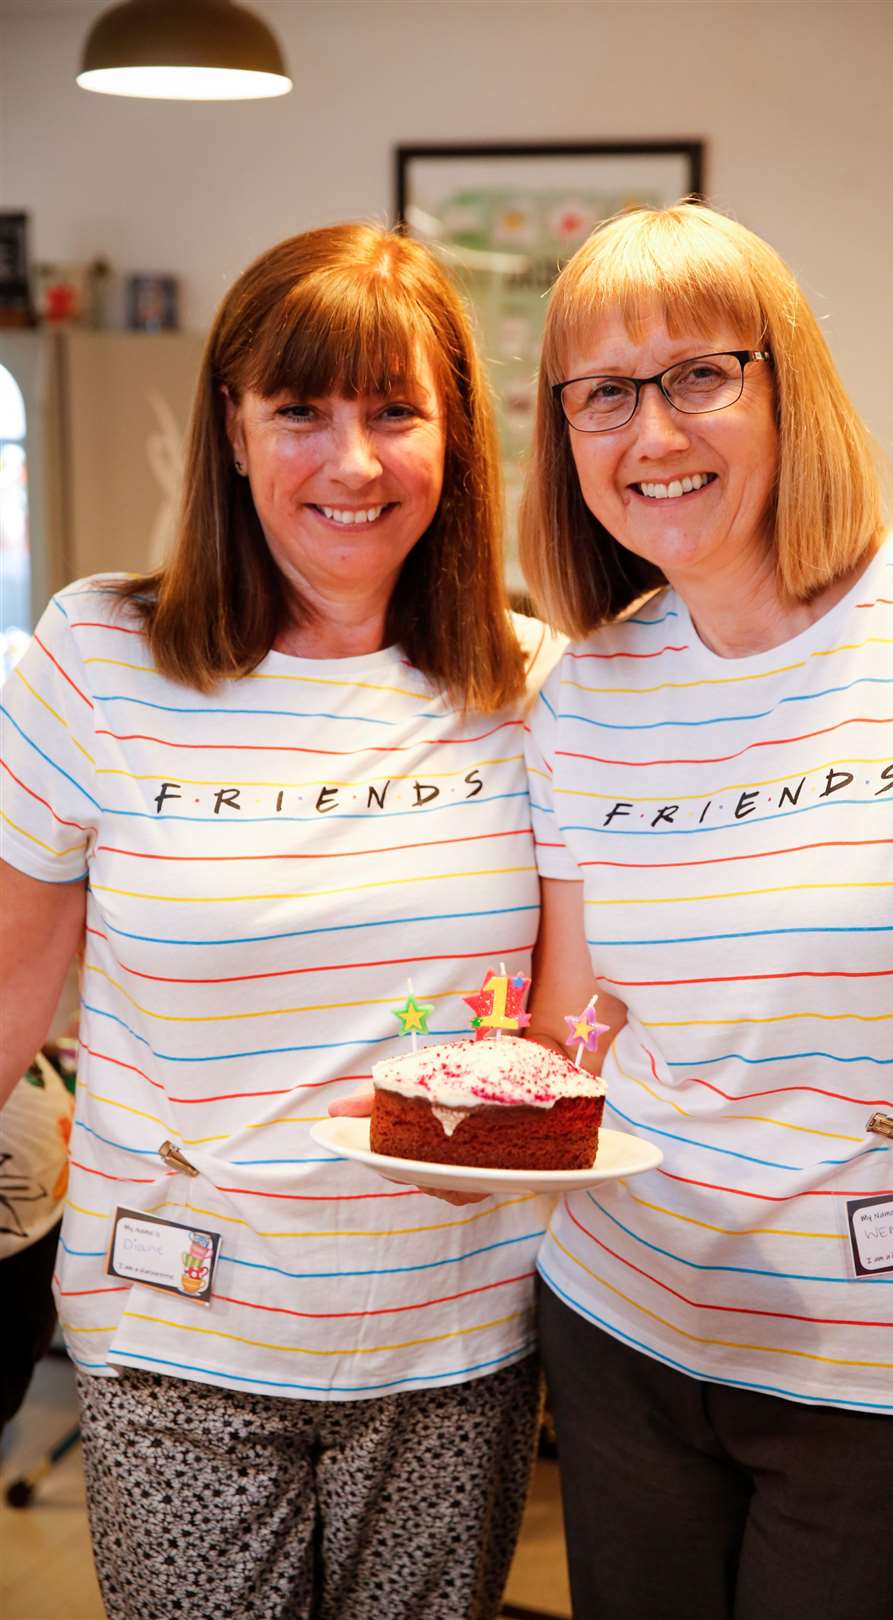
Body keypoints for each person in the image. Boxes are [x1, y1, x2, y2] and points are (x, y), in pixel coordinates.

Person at [515, 204, 893, 1620]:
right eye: (605, 394)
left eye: (702, 373)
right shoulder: (584, 694)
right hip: (626, 1333)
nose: (653, 434)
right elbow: (575, 1037)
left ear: (789, 381)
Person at [0, 222, 561, 1620]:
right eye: (301, 410)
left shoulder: (541, 689)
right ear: (233, 429)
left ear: (456, 437)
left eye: (394, 411)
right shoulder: (100, 655)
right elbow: (7, 994)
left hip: (455, 1336)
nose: (352, 461)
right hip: (174, 1331)